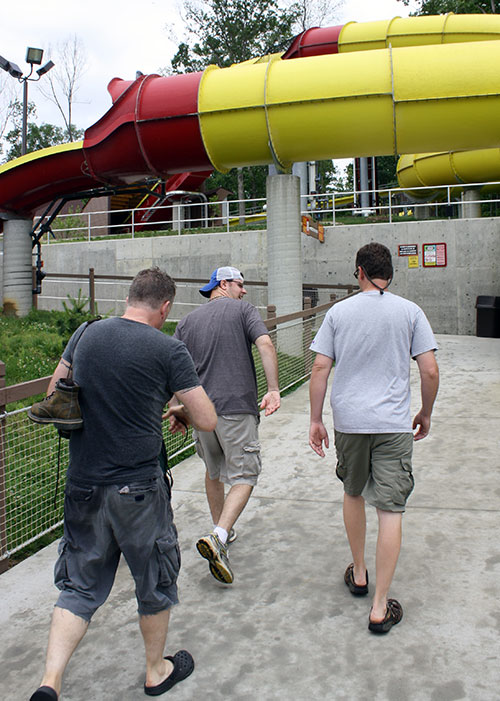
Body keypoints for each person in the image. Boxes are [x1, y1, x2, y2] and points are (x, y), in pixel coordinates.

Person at [29, 268, 217, 701]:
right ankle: (155, 671)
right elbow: (206, 418)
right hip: (139, 489)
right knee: (153, 578)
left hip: (83, 483)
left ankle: (50, 681)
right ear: (165, 307)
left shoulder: (86, 333)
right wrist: (174, 409)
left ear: (131, 297)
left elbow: (57, 389)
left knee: (79, 585)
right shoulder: (169, 349)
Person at [308, 243, 439, 635]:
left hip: (350, 422)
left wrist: (316, 419)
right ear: (389, 273)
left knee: (352, 492)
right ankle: (380, 607)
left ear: (360, 271)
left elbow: (319, 366)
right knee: (390, 509)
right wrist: (425, 412)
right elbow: (430, 371)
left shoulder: (339, 312)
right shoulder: (410, 312)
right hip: (394, 424)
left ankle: (360, 573)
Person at [170, 266, 280, 584]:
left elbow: (173, 366)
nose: (244, 291)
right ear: (224, 284)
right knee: (246, 474)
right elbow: (266, 345)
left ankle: (222, 533)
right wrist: (273, 389)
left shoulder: (188, 322)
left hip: (201, 413)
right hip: (236, 408)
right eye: (240, 284)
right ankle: (218, 535)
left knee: (213, 471)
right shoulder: (244, 310)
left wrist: (177, 405)